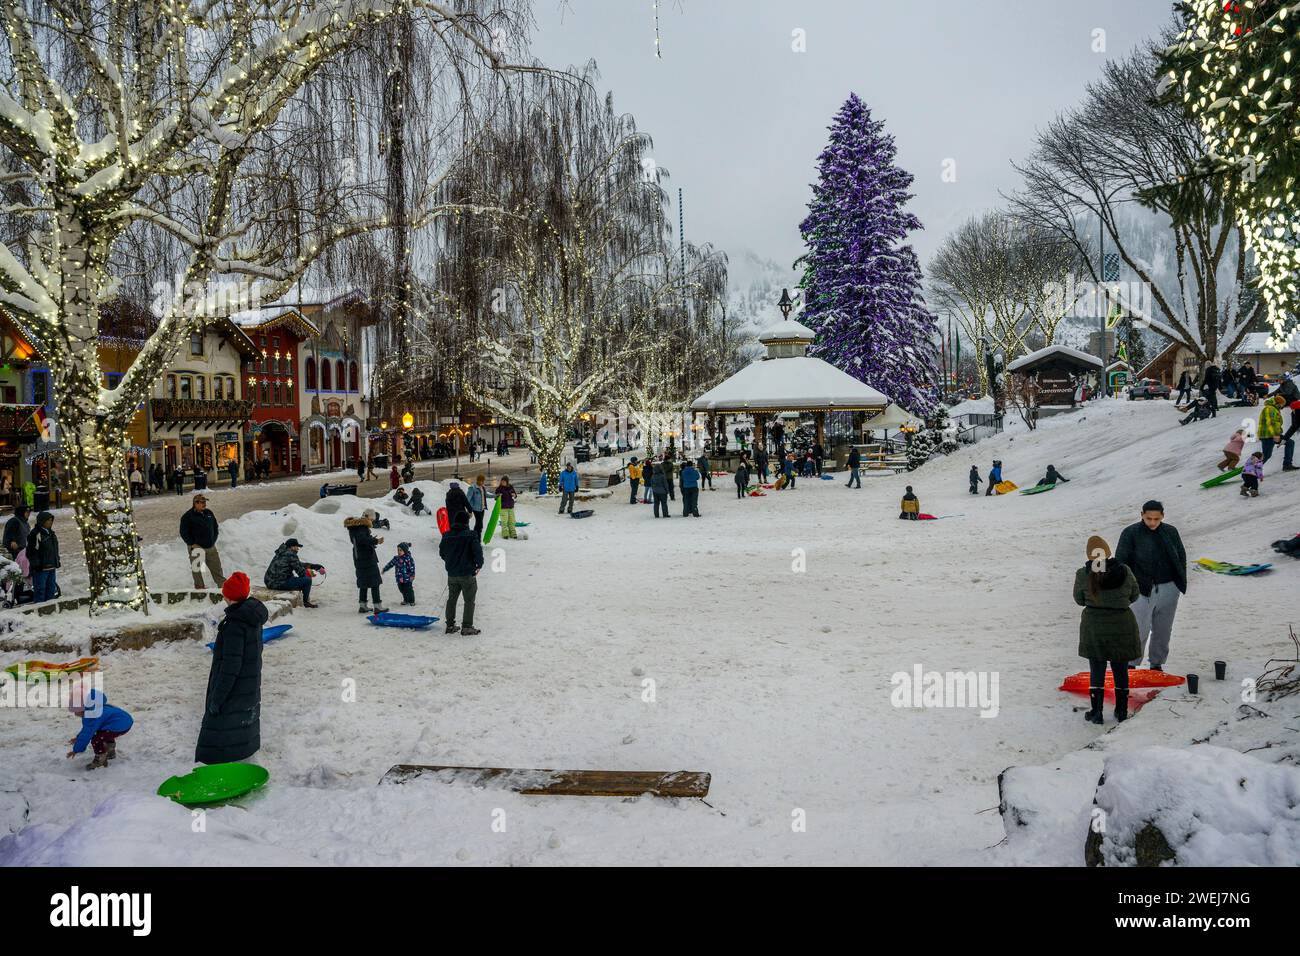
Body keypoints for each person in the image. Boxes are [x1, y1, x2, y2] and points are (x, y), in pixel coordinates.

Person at [196, 572, 268, 765]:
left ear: (228, 597)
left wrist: (217, 698)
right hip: (248, 684)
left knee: (221, 727)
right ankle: (244, 759)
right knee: (241, 724)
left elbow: (230, 667)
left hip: (234, 688)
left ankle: (223, 767)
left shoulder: (235, 625)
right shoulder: (250, 618)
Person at [1073, 535, 1141, 724]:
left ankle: (1096, 712)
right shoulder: (1125, 571)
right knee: (1120, 670)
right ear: (1108, 553)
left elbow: (1079, 600)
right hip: (1122, 624)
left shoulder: (1083, 574)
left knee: (1097, 669)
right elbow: (1134, 595)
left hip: (1094, 626)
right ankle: (1121, 711)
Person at [1115, 500, 1187, 672]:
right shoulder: (1130, 533)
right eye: (1149, 518)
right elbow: (1120, 561)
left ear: (1162, 515)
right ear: (1142, 515)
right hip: (1141, 589)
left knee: (1163, 629)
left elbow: (1181, 556)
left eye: (1156, 518)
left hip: (1169, 588)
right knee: (1139, 628)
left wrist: (1179, 582)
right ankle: (1131, 664)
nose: (1153, 522)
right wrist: (1127, 587)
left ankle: (1157, 664)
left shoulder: (1170, 531)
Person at [67, 686, 133, 770]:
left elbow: (87, 733)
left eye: (76, 711)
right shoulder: (95, 708)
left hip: (120, 725)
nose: (75, 714)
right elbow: (87, 730)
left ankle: (101, 759)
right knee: (103, 732)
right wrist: (78, 738)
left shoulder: (92, 716)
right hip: (124, 722)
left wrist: (76, 749)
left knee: (96, 739)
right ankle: (110, 751)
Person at [439, 510, 483, 635]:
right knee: (469, 600)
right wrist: (478, 565)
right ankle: (467, 626)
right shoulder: (471, 535)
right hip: (467, 573)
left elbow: (442, 553)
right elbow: (477, 552)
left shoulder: (446, 535)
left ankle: (450, 625)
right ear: (467, 522)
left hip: (452, 574)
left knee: (452, 599)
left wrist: (451, 563)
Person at [345, 509, 387, 613]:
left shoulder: (355, 527)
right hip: (367, 558)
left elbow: (360, 541)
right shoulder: (362, 527)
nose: (372, 521)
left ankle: (362, 605)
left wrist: (371, 541)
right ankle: (377, 606)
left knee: (364, 582)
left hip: (359, 558)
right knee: (375, 581)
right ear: (368, 517)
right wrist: (375, 541)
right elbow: (362, 540)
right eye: (372, 519)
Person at [179, 494, 224, 589]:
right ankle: (200, 587)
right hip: (197, 547)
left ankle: (223, 586)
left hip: (211, 547)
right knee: (198, 569)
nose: (204, 504)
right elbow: (183, 532)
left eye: (205, 502)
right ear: (195, 503)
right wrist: (192, 543)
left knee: (216, 568)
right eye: (202, 502)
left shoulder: (209, 513)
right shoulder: (187, 516)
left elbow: (215, 527)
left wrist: (214, 539)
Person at [263, 538, 322, 608]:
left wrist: (312, 566)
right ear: (292, 547)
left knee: (296, 580)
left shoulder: (281, 552)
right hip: (279, 583)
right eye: (297, 547)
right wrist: (308, 572)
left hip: (269, 582)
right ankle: (306, 602)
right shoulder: (291, 554)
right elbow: (301, 573)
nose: (298, 549)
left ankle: (298, 590)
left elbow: (297, 563)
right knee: (307, 580)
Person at [26, 511, 59, 603]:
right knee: (40, 590)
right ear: (42, 521)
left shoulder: (51, 533)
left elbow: (54, 549)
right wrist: (37, 565)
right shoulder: (36, 534)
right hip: (41, 569)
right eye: (48, 520)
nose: (50, 522)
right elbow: (31, 552)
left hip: (51, 566)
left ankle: (50, 609)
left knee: (51, 590)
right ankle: (40, 609)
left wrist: (56, 561)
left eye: (51, 520)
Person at [1259, 394, 1296, 471]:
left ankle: (1287, 465)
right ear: (1278, 403)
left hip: (1271, 434)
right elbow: (1271, 422)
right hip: (1268, 435)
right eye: (1282, 405)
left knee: (1290, 442)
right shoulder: (1270, 409)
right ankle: (1251, 468)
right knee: (1266, 455)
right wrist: (1275, 434)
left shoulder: (1273, 409)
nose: (1282, 407)